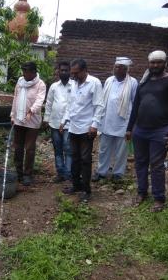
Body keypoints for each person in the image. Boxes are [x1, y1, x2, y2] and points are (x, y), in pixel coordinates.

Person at [126, 50, 168, 212]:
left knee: (157, 165)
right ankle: (142, 192)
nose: (155, 65)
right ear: (148, 64)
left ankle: (159, 198)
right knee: (140, 163)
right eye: (152, 62)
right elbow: (135, 107)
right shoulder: (144, 82)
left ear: (165, 63)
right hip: (140, 131)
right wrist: (130, 128)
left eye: (158, 62)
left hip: (160, 130)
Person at [60, 59, 104, 202]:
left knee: (85, 160)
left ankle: (86, 190)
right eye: (72, 73)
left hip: (86, 129)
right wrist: (64, 120)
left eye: (76, 73)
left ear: (85, 70)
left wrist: (94, 125)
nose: (73, 76)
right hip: (73, 127)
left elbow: (99, 106)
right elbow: (70, 105)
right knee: (74, 158)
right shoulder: (74, 84)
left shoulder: (94, 83)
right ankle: (76, 185)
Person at [93, 57, 138, 182]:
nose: (116, 69)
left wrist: (132, 125)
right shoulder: (109, 80)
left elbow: (135, 103)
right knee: (103, 149)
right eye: (115, 66)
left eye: (120, 67)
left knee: (121, 151)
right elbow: (102, 100)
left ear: (126, 69)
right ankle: (101, 171)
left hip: (123, 123)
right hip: (106, 121)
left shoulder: (132, 82)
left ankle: (118, 173)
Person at [11, 61, 46, 186]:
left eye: (26, 72)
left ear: (33, 72)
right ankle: (18, 172)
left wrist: (32, 110)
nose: (24, 74)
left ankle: (27, 174)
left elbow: (39, 100)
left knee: (29, 148)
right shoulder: (20, 82)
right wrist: (12, 115)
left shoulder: (40, 84)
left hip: (32, 122)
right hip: (19, 119)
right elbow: (15, 98)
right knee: (18, 147)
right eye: (23, 71)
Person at [43, 61, 72, 183]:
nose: (64, 72)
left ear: (70, 71)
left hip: (69, 125)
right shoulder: (54, 86)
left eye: (66, 70)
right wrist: (46, 119)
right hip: (54, 123)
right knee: (58, 149)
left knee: (68, 149)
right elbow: (49, 103)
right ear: (58, 71)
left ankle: (69, 173)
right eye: (62, 70)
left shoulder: (74, 85)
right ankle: (60, 173)